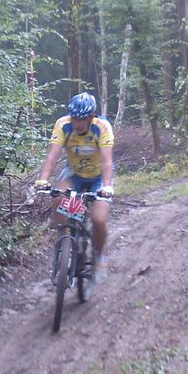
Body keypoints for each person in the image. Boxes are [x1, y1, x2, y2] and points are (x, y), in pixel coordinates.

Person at [34, 92, 115, 284]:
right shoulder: (63, 124)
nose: (77, 123)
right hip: (75, 175)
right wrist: (43, 180)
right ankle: (66, 241)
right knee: (58, 198)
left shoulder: (102, 127)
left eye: (81, 119)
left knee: (98, 219)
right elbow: (52, 157)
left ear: (90, 117)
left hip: (98, 177)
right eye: (74, 118)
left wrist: (106, 187)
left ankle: (99, 256)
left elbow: (106, 162)